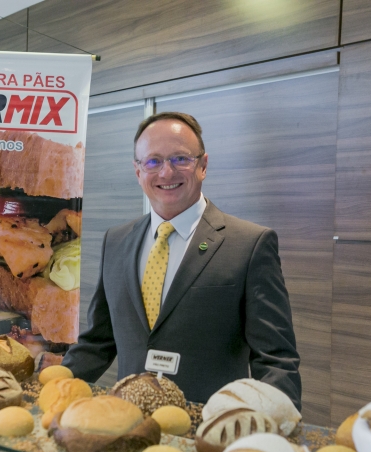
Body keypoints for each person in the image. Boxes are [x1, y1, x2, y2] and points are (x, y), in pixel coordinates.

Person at [62, 111, 301, 408]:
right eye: (153, 161)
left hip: (207, 434)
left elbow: (275, 360)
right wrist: (51, 387)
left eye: (180, 159)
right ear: (138, 172)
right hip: (129, 426)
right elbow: (98, 342)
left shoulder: (249, 245)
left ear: (203, 165)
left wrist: (277, 432)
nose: (166, 172)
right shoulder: (117, 241)